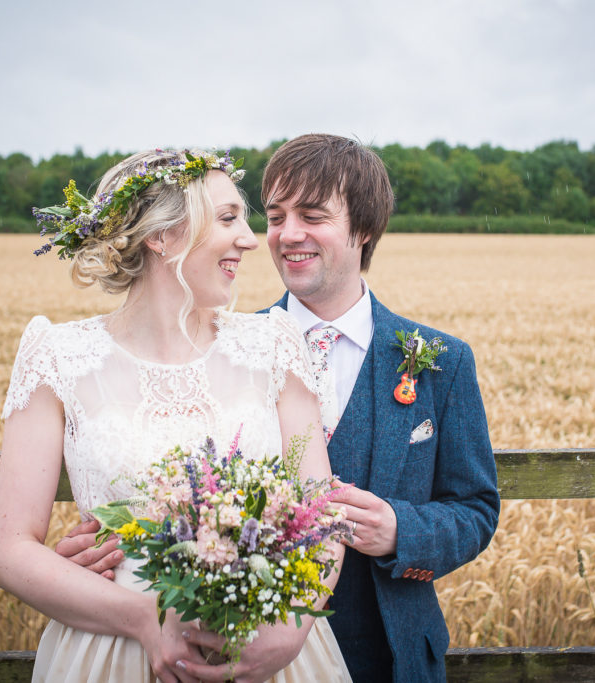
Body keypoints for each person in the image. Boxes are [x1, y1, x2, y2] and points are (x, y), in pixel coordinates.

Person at [62, 134, 501, 682]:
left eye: (312, 216)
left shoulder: (442, 362)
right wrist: (116, 542)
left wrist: (400, 529)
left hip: (392, 654)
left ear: (363, 229)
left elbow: (477, 508)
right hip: (234, 646)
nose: (287, 235)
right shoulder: (227, 352)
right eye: (275, 216)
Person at [0, 148, 351, 683]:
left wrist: (291, 630)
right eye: (228, 218)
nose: (251, 239)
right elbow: (11, 549)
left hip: (264, 647)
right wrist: (144, 619)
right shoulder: (57, 358)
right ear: (161, 236)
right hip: (110, 652)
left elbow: (320, 511)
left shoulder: (274, 344)